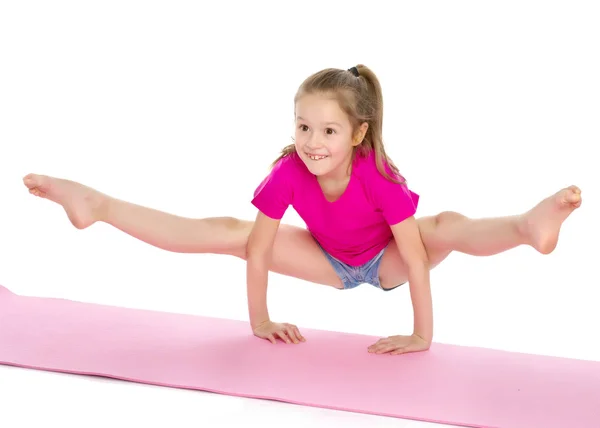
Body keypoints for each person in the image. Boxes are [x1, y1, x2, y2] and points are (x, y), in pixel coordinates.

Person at [22, 64, 582, 356]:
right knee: (228, 231)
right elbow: (259, 248)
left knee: (447, 227)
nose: (314, 141)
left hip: (385, 261)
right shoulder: (289, 170)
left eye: (330, 130)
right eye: (304, 126)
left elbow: (412, 258)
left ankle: (526, 227)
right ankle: (98, 204)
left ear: (358, 132)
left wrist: (420, 336)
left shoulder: (378, 175)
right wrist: (260, 322)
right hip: (327, 262)